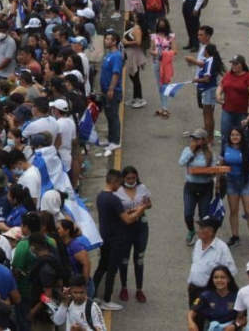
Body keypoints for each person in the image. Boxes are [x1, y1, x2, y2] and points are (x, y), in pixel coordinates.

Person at [93, 169, 145, 312]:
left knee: (102, 266)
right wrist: (140, 210)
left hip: (104, 237)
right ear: (114, 181)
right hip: (116, 240)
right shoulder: (114, 199)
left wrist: (129, 211)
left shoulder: (101, 197)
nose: (120, 186)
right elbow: (127, 220)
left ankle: (91, 292)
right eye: (119, 183)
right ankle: (107, 299)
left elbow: (115, 214)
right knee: (112, 270)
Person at [114, 166, 150, 304]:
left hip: (141, 227)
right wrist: (130, 211)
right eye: (128, 178)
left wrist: (143, 206)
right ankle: (123, 287)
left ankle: (139, 289)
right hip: (125, 228)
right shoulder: (118, 191)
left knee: (139, 259)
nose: (131, 180)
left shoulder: (142, 188)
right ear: (123, 178)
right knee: (124, 259)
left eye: (133, 178)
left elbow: (149, 204)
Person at [220, 125, 249, 250]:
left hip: (246, 182)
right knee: (233, 211)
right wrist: (217, 181)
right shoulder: (225, 148)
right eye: (232, 135)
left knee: (248, 211)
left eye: (237, 135)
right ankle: (235, 236)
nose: (234, 137)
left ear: (242, 136)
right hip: (231, 182)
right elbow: (220, 165)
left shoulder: (248, 150)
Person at [187, 216, 236, 306]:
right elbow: (195, 264)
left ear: (210, 232)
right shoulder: (198, 243)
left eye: (201, 228)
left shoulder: (221, 248)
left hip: (209, 292)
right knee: (193, 316)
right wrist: (190, 282)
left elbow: (231, 272)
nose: (198, 231)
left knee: (208, 317)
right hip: (193, 290)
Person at [180, 129, 217, 244]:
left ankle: (204, 237)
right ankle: (191, 231)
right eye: (193, 138)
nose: (195, 141)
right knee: (188, 214)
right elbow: (181, 163)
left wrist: (208, 173)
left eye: (198, 139)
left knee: (203, 215)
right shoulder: (187, 150)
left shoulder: (210, 154)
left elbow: (214, 169)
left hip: (205, 186)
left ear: (204, 141)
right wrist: (191, 150)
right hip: (191, 186)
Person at [216, 54, 249, 148]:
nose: (234, 66)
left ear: (242, 65)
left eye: (236, 64)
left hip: (243, 112)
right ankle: (224, 155)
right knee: (226, 134)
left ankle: (244, 156)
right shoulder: (228, 75)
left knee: (243, 135)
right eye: (233, 64)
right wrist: (218, 94)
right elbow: (221, 85)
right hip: (227, 110)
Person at [188, 265, 238, 331]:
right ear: (212, 279)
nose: (219, 280)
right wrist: (190, 322)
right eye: (216, 277)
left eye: (223, 277)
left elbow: (243, 319)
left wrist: (235, 325)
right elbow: (192, 311)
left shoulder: (237, 296)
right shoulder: (205, 296)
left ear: (228, 279)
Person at [99, 31, 124, 150]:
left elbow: (116, 74)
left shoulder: (116, 56)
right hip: (105, 90)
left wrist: (111, 89)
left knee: (113, 115)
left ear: (114, 41)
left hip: (112, 91)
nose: (105, 41)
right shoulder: (109, 55)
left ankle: (116, 140)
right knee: (108, 115)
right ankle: (110, 138)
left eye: (108, 39)